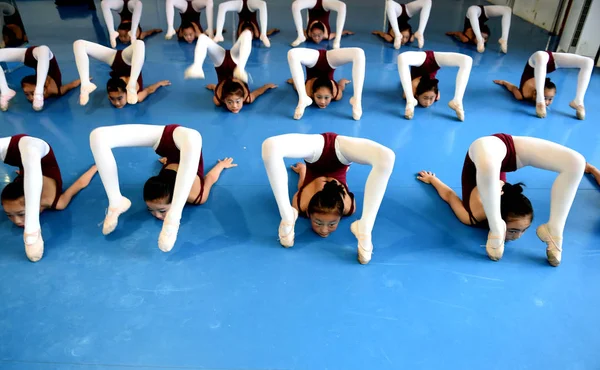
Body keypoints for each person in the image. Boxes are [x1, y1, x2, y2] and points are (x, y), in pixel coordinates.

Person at [417, 133, 585, 267]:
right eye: (512, 231)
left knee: (577, 163)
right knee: (490, 169)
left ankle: (554, 230)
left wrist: (433, 180)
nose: (517, 237)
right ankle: (496, 228)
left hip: (497, 154)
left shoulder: (474, 215)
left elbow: (450, 196)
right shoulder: (477, 212)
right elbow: (450, 195)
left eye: (523, 230)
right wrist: (433, 180)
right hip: (486, 151)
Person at [89, 124, 236, 252]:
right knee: (97, 136)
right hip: (170, 144)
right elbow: (177, 166)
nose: (158, 216)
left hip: (189, 141)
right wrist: (168, 159)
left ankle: (173, 219)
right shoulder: (169, 186)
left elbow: (209, 178)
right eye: (151, 210)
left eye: (162, 211)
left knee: (192, 139)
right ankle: (116, 202)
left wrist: (221, 166)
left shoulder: (196, 195)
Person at [261, 132, 395, 264]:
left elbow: (302, 185)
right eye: (319, 223)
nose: (324, 230)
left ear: (308, 212)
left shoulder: (300, 204)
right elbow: (345, 185)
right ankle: (287, 216)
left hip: (317, 152)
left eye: (331, 224)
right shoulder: (348, 207)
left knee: (387, 157)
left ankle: (365, 228)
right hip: (342, 154)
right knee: (270, 146)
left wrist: (303, 172)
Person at [1, 135, 97, 262]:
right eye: (9, 215)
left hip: (34, 148)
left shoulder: (53, 201)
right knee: (29, 164)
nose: (17, 221)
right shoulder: (54, 201)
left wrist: (96, 167)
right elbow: (78, 185)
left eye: (21, 214)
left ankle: (32, 232)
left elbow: (79, 184)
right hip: (15, 155)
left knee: (30, 156)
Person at [184, 30, 277, 113]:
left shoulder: (217, 99)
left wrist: (213, 87)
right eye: (230, 102)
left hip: (220, 63)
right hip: (235, 61)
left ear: (223, 99)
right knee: (247, 34)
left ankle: (198, 65)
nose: (234, 106)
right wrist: (266, 86)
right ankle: (197, 66)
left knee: (203, 38)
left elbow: (216, 88)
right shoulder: (248, 98)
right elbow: (258, 92)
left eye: (236, 101)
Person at [493, 51, 593, 120]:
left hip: (535, 62)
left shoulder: (522, 95)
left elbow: (513, 87)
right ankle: (540, 102)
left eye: (549, 99)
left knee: (589, 62)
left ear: (535, 93)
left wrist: (503, 82)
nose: (548, 102)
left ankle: (578, 101)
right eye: (546, 98)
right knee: (589, 62)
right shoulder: (539, 83)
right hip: (549, 62)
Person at [73, 39, 170, 108]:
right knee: (139, 44)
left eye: (119, 98)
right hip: (129, 60)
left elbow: (149, 90)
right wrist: (159, 83)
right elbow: (149, 90)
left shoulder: (116, 87)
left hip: (114, 60)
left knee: (79, 44)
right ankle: (85, 84)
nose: (117, 103)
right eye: (113, 99)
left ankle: (85, 84)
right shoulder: (138, 97)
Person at [287, 47, 364, 120]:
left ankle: (357, 100)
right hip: (313, 60)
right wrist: (342, 82)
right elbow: (340, 87)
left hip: (328, 61)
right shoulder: (336, 94)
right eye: (319, 97)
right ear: (313, 93)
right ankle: (302, 98)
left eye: (326, 98)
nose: (322, 102)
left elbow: (296, 87)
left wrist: (294, 81)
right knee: (292, 53)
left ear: (332, 94)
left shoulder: (308, 91)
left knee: (359, 53)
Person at [0, 46, 82, 111]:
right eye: (30, 94)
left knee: (43, 49)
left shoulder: (46, 81)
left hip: (28, 57)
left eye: (31, 93)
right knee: (44, 49)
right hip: (43, 56)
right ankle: (6, 91)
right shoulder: (57, 91)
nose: (31, 98)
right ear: (45, 86)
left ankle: (5, 91)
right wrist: (84, 80)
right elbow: (72, 84)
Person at [397, 50, 472, 121]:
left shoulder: (414, 87)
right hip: (433, 62)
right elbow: (435, 92)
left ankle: (457, 100)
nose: (428, 103)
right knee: (401, 57)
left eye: (430, 98)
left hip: (421, 60)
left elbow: (404, 95)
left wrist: (410, 97)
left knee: (467, 60)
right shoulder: (436, 96)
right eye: (426, 98)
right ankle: (410, 101)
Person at [445, 5, 511, 53]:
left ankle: (502, 39)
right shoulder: (481, 32)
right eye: (484, 38)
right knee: (507, 10)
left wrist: (452, 33)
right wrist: (483, 37)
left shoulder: (467, 38)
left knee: (472, 9)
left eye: (484, 39)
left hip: (473, 12)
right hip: (484, 13)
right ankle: (503, 39)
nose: (485, 39)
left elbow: (458, 33)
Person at [212, 0, 279, 47]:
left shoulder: (240, 31)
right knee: (262, 4)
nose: (248, 32)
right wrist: (271, 31)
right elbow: (269, 32)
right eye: (250, 35)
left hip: (240, 5)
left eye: (245, 34)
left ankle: (218, 35)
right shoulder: (257, 34)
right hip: (250, 5)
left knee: (222, 6)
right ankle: (264, 35)